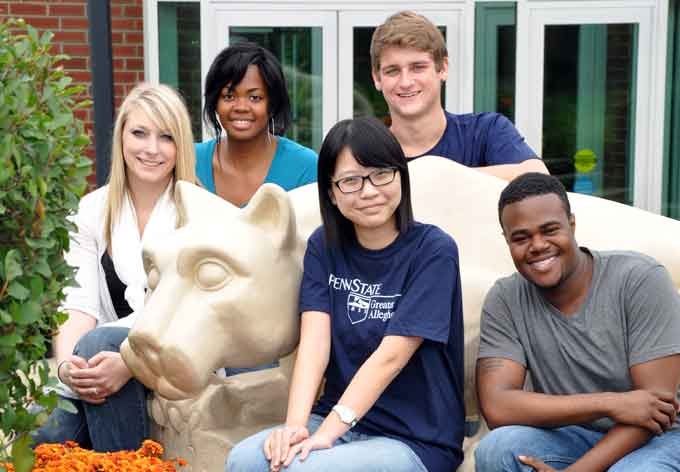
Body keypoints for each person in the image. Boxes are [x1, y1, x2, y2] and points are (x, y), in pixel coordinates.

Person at [225, 116, 465, 472]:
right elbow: (314, 346)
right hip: (334, 417)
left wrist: (330, 432)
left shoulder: (434, 251)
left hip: (414, 438)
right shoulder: (324, 246)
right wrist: (295, 426)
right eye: (351, 181)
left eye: (381, 174)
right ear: (332, 193)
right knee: (245, 460)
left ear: (401, 176)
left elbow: (391, 357)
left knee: (301, 469)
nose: (369, 191)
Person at [474, 172, 680, 471]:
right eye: (521, 237)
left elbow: (654, 413)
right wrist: (611, 403)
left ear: (571, 224)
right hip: (578, 435)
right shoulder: (506, 298)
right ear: (506, 240)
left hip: (662, 437)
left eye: (549, 230)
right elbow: (497, 406)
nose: (537, 245)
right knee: (497, 450)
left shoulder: (639, 279)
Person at [32, 83, 197, 451]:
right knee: (45, 439)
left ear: (180, 146)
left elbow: (194, 315)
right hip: (99, 362)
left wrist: (130, 361)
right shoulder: (91, 211)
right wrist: (69, 370)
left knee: (101, 340)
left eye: (166, 137)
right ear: (122, 135)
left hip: (178, 357)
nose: (151, 149)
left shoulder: (200, 214)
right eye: (139, 133)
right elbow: (78, 304)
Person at [370, 11, 548, 181]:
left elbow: (539, 178)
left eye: (418, 67)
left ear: (443, 68)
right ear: (377, 78)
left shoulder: (485, 132)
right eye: (392, 71)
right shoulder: (366, 153)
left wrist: (432, 178)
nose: (406, 82)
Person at [196, 41, 318, 207]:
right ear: (214, 102)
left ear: (273, 103)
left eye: (255, 98)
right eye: (229, 96)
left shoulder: (305, 167)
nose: (241, 107)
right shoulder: (190, 161)